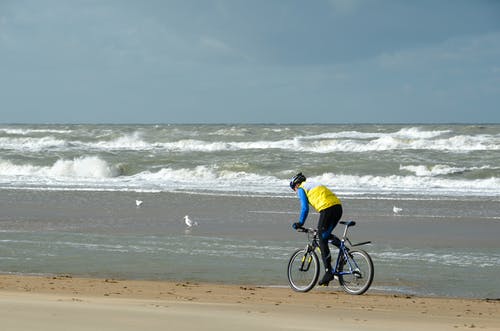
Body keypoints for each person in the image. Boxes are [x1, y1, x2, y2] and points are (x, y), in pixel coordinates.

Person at [289, 172, 343, 286]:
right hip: (338, 207)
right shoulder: (312, 184)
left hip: (327, 208)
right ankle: (344, 251)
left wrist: (300, 222)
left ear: (296, 184)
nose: (295, 191)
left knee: (321, 237)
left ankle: (328, 272)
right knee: (325, 235)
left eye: (293, 188)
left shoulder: (301, 188)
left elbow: (304, 208)